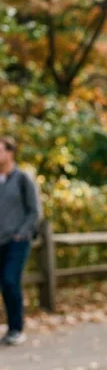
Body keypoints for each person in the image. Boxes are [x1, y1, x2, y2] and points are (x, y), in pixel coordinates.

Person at [0, 136, 42, 346]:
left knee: (9, 280)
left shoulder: (23, 179)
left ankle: (16, 328)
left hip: (17, 240)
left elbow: (35, 211)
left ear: (10, 153)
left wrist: (22, 233)